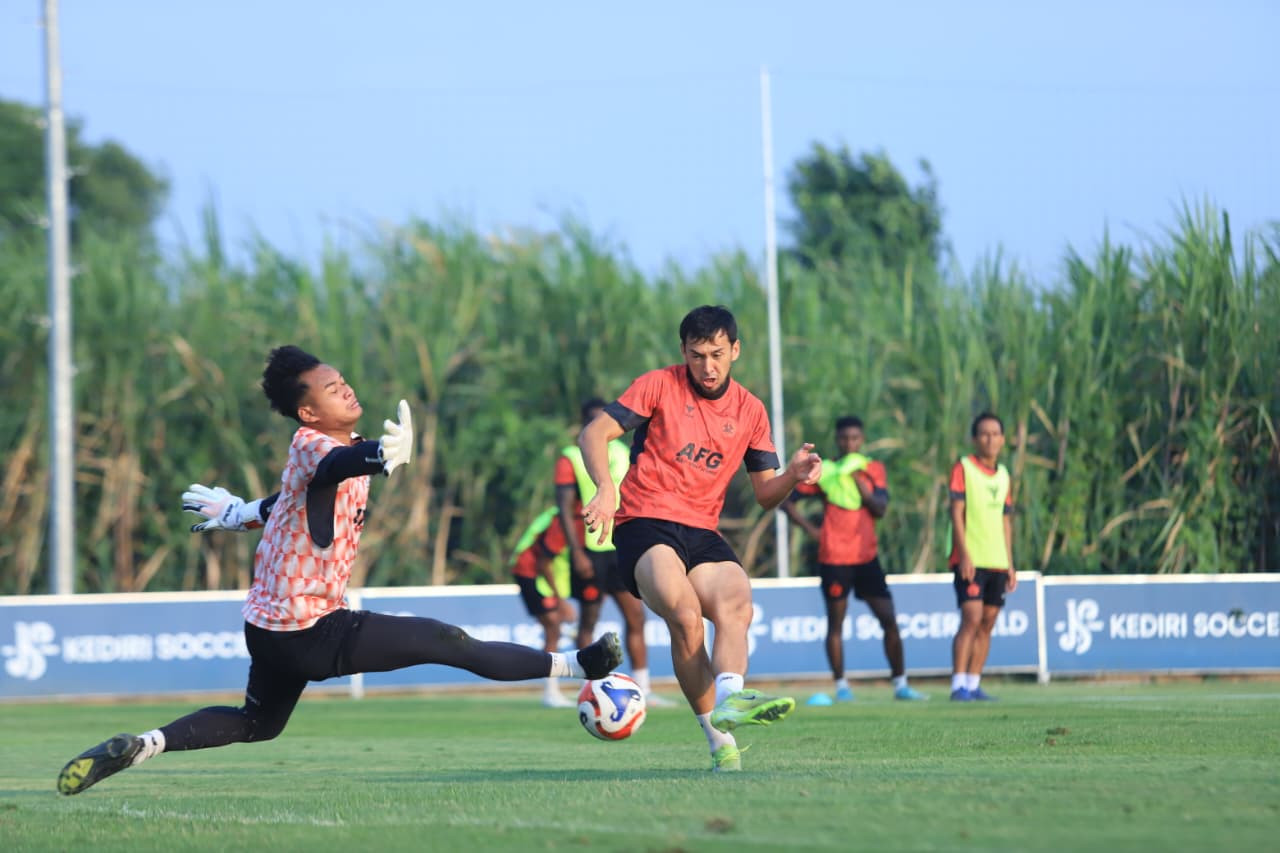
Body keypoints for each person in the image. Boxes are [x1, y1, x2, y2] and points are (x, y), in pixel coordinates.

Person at [56, 345, 621, 796]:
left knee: (258, 723)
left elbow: (288, 502)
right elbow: (335, 465)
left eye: (342, 380)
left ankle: (142, 745)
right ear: (308, 412)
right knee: (446, 640)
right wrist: (379, 456)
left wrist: (236, 513)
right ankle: (577, 664)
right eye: (331, 388)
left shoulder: (330, 447)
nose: (345, 388)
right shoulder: (313, 443)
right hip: (310, 627)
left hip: (270, 628)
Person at [577, 305, 823, 772]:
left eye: (716, 354)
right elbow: (594, 434)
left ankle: (731, 698)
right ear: (683, 352)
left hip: (701, 530)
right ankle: (718, 741)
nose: (707, 367)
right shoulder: (658, 385)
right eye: (696, 355)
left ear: (735, 350)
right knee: (687, 616)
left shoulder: (751, 410)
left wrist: (792, 475)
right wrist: (605, 488)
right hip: (644, 523)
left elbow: (765, 495)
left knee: (737, 601)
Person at [782, 416, 927, 703]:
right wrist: (811, 530)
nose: (849, 443)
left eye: (854, 438)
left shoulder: (872, 469)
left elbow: (881, 509)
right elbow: (786, 501)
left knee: (889, 619)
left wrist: (864, 491)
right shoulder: (825, 471)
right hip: (834, 557)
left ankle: (901, 685)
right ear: (837, 439)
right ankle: (842, 687)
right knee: (836, 624)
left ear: (862, 440)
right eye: (844, 438)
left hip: (866, 557)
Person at [556, 397, 674, 707]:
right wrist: (576, 553)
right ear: (584, 422)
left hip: (622, 546)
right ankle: (587, 688)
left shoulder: (625, 452)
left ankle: (644, 686)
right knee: (589, 620)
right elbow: (564, 509)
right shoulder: (571, 457)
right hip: (589, 550)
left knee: (636, 616)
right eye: (593, 419)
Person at [948, 411, 1016, 702]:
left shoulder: (1004, 475)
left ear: (1002, 440)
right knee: (971, 618)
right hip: (971, 559)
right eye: (984, 434)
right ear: (975, 439)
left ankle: (974, 683)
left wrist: (1010, 563)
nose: (990, 439)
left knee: (988, 622)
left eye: (995, 434)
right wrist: (964, 554)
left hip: (997, 559)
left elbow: (1005, 520)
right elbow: (956, 513)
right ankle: (958, 685)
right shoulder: (963, 468)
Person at [510, 506, 579, 707]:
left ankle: (553, 691)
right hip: (528, 571)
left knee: (554, 628)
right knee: (552, 628)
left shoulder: (566, 515)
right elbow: (543, 563)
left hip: (536, 572)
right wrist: (561, 602)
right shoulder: (562, 522)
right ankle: (551, 693)